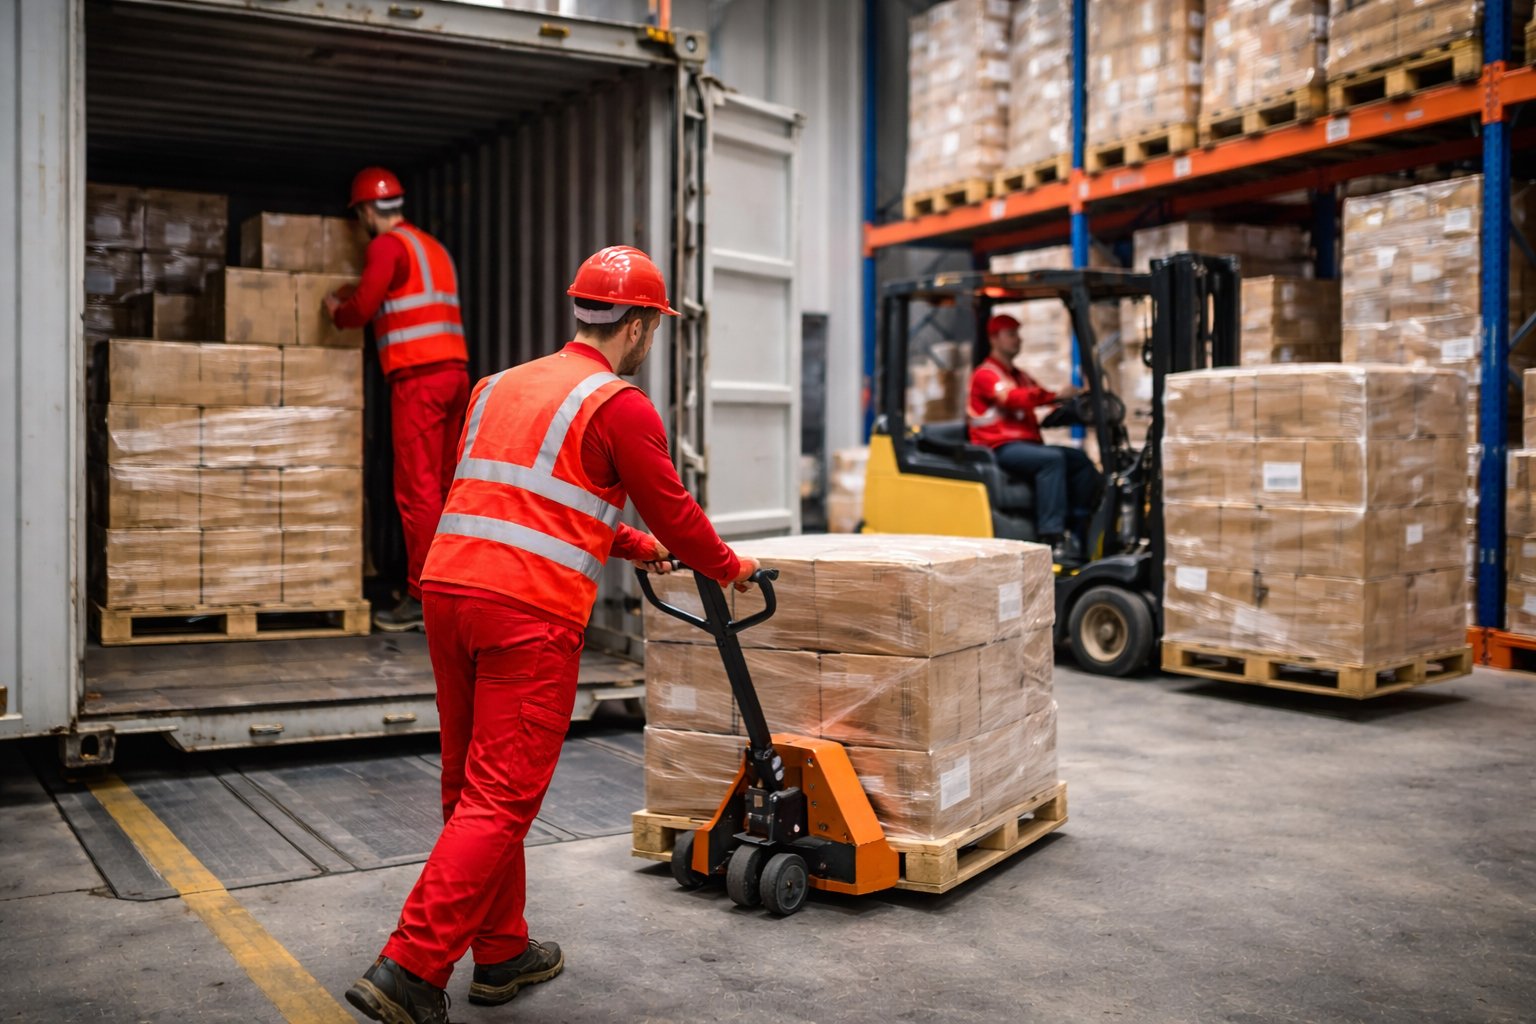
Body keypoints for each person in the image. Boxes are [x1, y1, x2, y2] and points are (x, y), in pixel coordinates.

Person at [345, 245, 762, 1024]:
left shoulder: (496, 386)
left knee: (470, 786)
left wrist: (635, 546)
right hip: (525, 613)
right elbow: (677, 512)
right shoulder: (620, 404)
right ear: (638, 326)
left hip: (449, 590)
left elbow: (530, 503)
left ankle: (500, 952)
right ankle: (410, 965)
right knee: (503, 795)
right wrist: (729, 566)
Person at [325, 167, 471, 633]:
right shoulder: (432, 248)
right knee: (448, 486)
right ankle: (454, 587)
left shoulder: (385, 246)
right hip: (454, 376)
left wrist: (336, 310)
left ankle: (423, 596)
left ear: (368, 211)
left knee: (417, 490)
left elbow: (362, 309)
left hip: (419, 380)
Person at [967, 313, 1102, 566]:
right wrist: (1053, 395)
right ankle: (1051, 537)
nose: (1018, 339)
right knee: (1051, 460)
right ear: (994, 339)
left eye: (1018, 334)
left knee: (1079, 461)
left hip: (1025, 446)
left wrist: (1071, 407)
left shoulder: (1020, 376)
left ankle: (1079, 527)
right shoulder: (986, 375)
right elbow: (1015, 399)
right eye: (1011, 334)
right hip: (998, 448)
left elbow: (1038, 401)